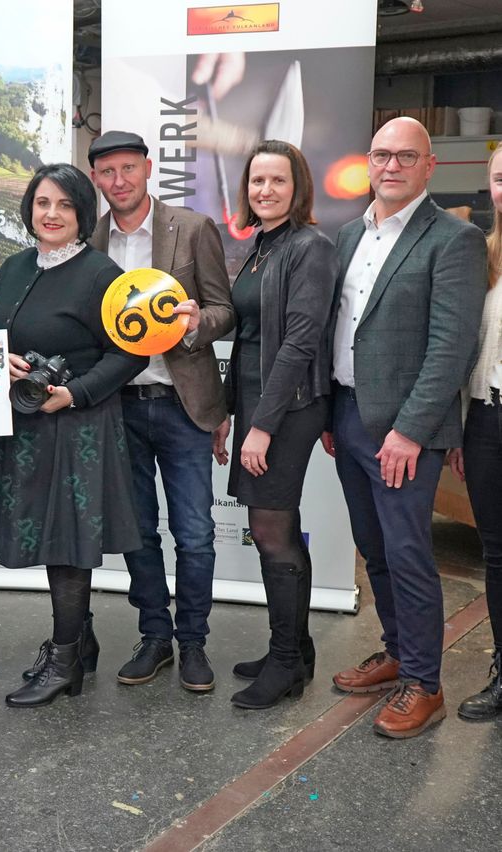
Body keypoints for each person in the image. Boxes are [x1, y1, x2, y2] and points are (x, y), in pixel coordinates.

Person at [325, 117, 486, 738]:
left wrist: (411, 431)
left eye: (405, 157)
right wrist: (329, 412)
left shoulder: (452, 240)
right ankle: (396, 651)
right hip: (347, 415)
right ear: (368, 161)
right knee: (374, 550)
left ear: (429, 166)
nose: (391, 166)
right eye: (381, 155)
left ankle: (425, 683)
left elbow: (451, 348)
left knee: (409, 553)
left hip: (403, 433)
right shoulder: (347, 236)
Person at [0, 162, 147, 708]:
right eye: (41, 203)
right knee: (51, 540)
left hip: (78, 425)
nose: (50, 214)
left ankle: (64, 659)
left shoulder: (103, 274)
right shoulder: (13, 267)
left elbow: (131, 351)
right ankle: (82, 639)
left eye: (64, 205)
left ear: (83, 213)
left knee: (68, 545)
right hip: (27, 426)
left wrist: (74, 393)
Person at [88, 131, 234, 692]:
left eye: (128, 168)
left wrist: (200, 323)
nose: (118, 181)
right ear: (96, 178)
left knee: (195, 532)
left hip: (183, 404)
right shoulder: (90, 242)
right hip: (118, 406)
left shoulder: (192, 229)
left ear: (148, 169)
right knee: (137, 532)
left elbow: (225, 310)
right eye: (107, 172)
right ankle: (154, 636)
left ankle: (193, 643)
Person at [213, 140, 338, 709]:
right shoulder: (263, 244)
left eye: (277, 181)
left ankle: (286, 663)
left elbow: (299, 341)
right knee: (279, 526)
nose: (264, 190)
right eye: (256, 181)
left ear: (298, 187)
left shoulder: (310, 246)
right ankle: (295, 649)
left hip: (288, 406)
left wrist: (260, 426)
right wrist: (229, 412)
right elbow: (247, 340)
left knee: (270, 530)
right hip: (259, 403)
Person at [447, 145, 502, 721]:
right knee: (498, 556)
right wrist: (462, 426)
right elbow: (466, 348)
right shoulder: (484, 256)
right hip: (487, 419)